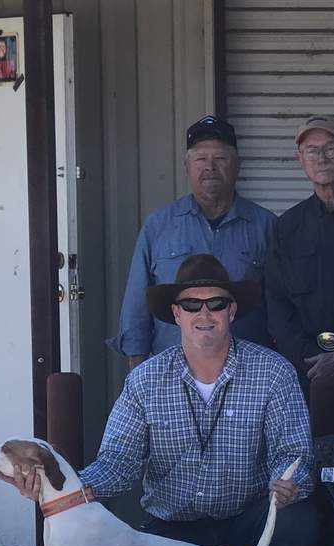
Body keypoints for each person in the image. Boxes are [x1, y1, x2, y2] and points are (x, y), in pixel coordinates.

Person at [82, 254, 317, 546]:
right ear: (176, 314)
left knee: (298, 520)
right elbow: (116, 462)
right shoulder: (145, 381)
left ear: (233, 310)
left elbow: (294, 451)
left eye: (215, 303)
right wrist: (72, 489)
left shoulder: (274, 372)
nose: (203, 314)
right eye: (192, 305)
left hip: (244, 520)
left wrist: (289, 483)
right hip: (174, 536)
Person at [110, 115, 276, 366]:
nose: (210, 167)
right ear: (187, 167)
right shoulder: (159, 226)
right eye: (200, 159)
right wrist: (138, 368)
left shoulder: (266, 226)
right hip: (172, 370)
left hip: (248, 373)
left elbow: (280, 306)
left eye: (220, 158)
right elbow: (137, 303)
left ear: (237, 165)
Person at [264, 114, 334, 438]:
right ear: (301, 160)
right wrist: (311, 361)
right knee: (310, 469)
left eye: (330, 147)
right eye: (312, 150)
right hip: (306, 374)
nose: (322, 157)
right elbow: (277, 306)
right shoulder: (287, 228)